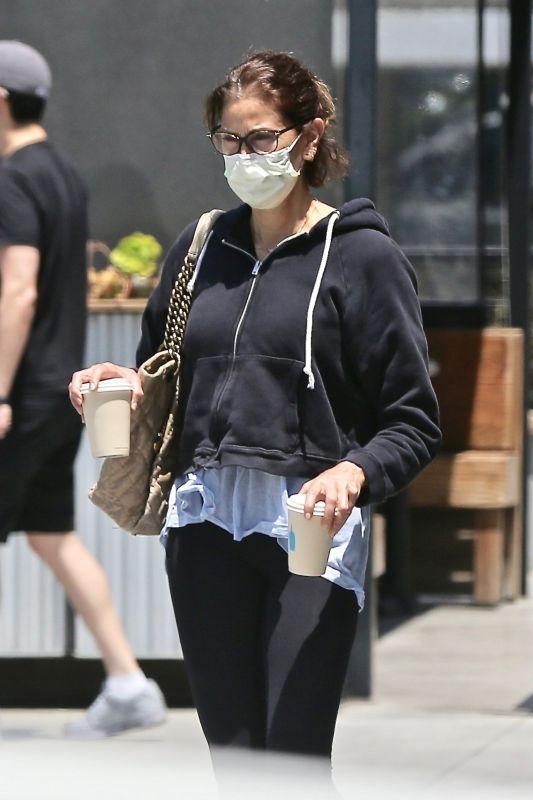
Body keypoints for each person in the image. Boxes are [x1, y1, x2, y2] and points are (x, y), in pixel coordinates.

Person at [70, 50, 440, 773]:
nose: (244, 156)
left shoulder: (362, 257)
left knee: (293, 760)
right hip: (205, 520)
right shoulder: (203, 244)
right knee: (236, 762)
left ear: (309, 136)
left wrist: (354, 473)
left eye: (262, 138)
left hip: (308, 527)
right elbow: (161, 367)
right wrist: (119, 380)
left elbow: (414, 420)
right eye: (229, 141)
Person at [0, 40, 166, 738]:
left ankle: (129, 687)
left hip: (21, 396)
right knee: (52, 535)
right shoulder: (61, 173)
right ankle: (129, 683)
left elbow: (18, 288)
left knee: (51, 535)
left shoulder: (12, 179)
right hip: (56, 393)